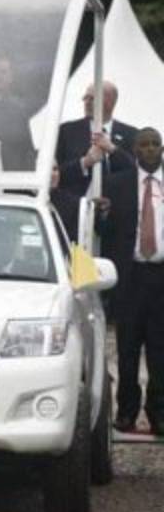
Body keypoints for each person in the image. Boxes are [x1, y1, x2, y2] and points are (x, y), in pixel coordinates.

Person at [100, 127, 164, 435]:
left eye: (155, 145)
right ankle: (126, 411)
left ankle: (159, 413)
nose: (150, 150)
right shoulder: (117, 184)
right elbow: (105, 232)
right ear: (135, 150)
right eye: (144, 145)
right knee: (126, 349)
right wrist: (101, 215)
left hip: (162, 277)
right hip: (130, 277)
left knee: (160, 350)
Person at [57, 81, 138, 193]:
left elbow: (136, 173)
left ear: (110, 101)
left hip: (117, 206)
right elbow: (55, 173)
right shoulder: (66, 131)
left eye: (91, 98)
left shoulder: (131, 134)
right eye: (85, 98)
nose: (86, 102)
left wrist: (113, 150)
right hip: (76, 205)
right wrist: (85, 162)